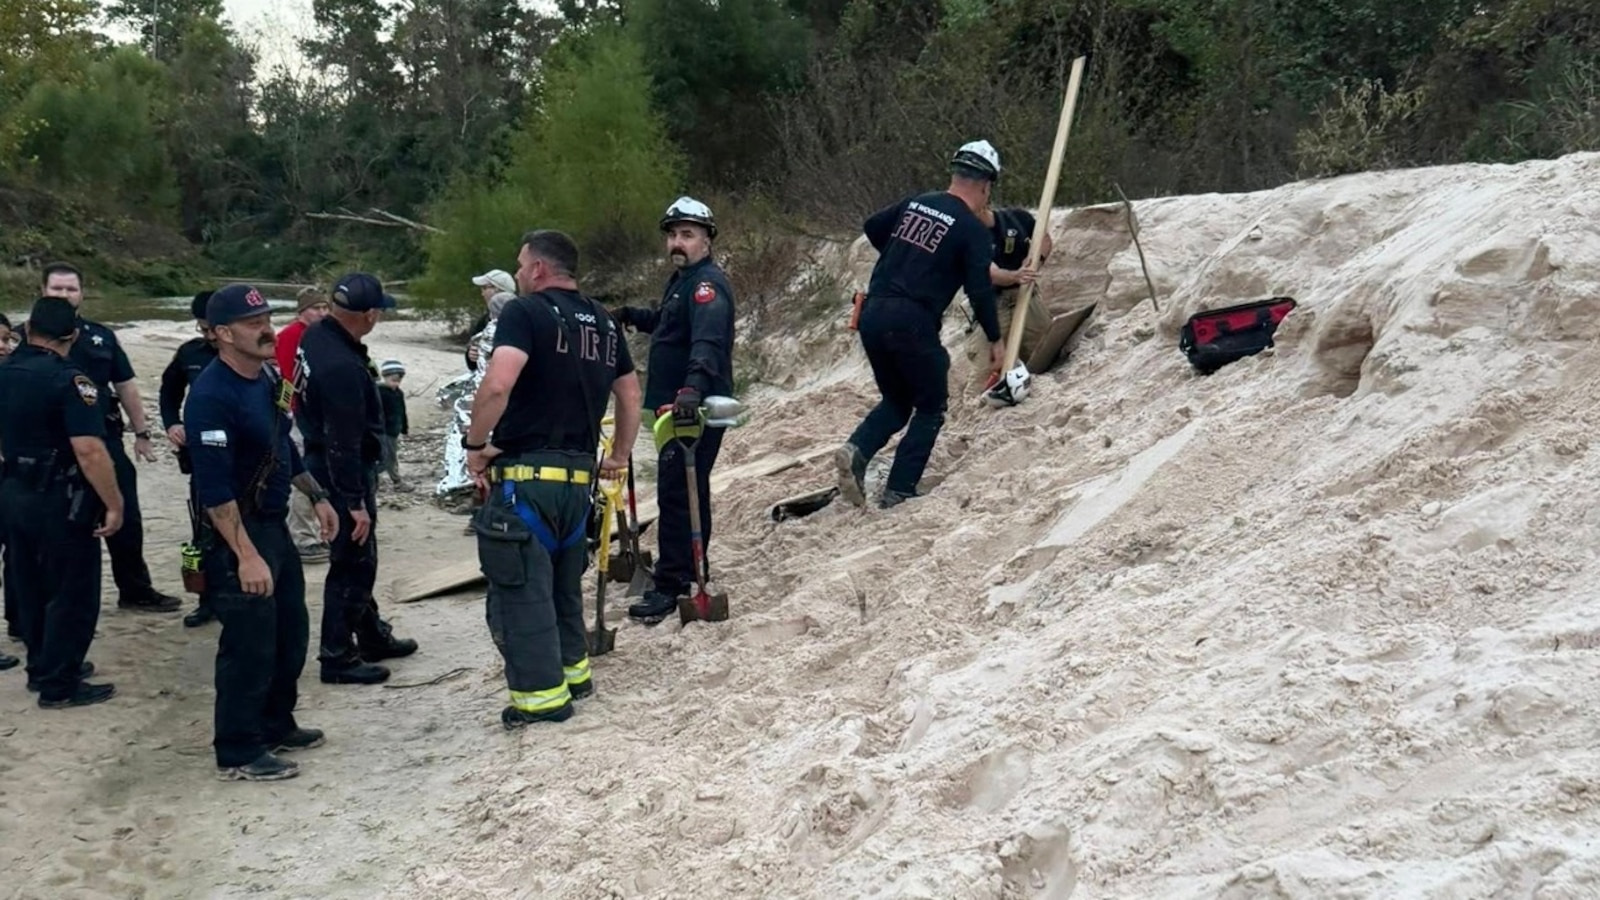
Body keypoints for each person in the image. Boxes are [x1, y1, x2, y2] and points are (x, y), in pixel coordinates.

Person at [462, 230, 641, 729]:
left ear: (539, 269)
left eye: (521, 265)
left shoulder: (524, 313)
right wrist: (620, 455)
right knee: (564, 587)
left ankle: (541, 701)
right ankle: (575, 675)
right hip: (576, 484)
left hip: (527, 481)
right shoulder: (605, 322)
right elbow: (629, 394)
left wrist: (475, 447)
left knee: (521, 595)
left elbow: (499, 383)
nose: (518, 274)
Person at [184, 284, 339, 781]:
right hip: (236, 534)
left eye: (267, 318)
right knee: (248, 642)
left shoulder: (267, 376)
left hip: (273, 527)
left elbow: (284, 448)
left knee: (289, 632)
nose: (265, 329)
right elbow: (214, 491)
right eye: (253, 323)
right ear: (223, 334)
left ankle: (276, 722)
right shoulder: (210, 396)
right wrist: (245, 555)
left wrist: (317, 496)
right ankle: (238, 749)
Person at [834, 141, 1005, 510]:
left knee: (897, 400)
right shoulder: (972, 230)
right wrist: (995, 338)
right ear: (986, 185)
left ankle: (857, 449)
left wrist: (909, 253)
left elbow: (873, 226)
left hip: (872, 313)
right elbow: (979, 289)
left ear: (955, 174)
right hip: (912, 319)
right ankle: (899, 489)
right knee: (931, 405)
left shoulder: (916, 202)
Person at [612, 197, 736, 625]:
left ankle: (672, 584)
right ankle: (686, 570)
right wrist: (632, 316)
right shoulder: (682, 281)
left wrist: (691, 391)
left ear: (707, 239)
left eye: (687, 234)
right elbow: (671, 324)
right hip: (673, 407)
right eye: (672, 235)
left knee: (679, 493)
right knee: (682, 490)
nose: (677, 242)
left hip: (690, 409)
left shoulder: (707, 286)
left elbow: (707, 342)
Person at [0, 296, 124, 707]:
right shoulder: (71, 379)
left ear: (27, 328)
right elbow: (89, 449)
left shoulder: (7, 371)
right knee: (72, 591)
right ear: (71, 336)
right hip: (60, 494)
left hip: (14, 490)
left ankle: (41, 666)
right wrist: (114, 502)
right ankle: (60, 682)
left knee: (29, 583)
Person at [296, 272, 418, 685]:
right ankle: (337, 655)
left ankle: (370, 633)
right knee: (353, 561)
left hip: (323, 456)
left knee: (357, 557)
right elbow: (342, 441)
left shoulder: (317, 336)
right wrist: (353, 502)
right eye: (378, 311)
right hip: (339, 468)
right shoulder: (341, 367)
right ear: (367, 315)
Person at [39, 262, 182, 612]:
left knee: (126, 517)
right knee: (50, 527)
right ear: (42, 291)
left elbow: (126, 386)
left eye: (70, 289)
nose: (64, 295)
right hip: (48, 446)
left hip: (104, 437)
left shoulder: (101, 336)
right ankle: (42, 603)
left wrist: (143, 432)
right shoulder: (22, 337)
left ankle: (135, 590)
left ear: (82, 293)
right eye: (56, 289)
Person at [159, 291, 222, 628]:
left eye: (214, 328)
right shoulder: (189, 354)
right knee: (202, 534)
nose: (210, 336)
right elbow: (169, 392)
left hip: (247, 460)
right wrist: (172, 423)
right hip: (201, 457)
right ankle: (204, 599)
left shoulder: (250, 352)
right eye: (204, 329)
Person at [965, 204, 1052, 389]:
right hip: (992, 303)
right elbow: (991, 273)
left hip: (1027, 296)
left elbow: (1044, 239)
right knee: (984, 367)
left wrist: (1036, 259)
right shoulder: (965, 233)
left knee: (1044, 355)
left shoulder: (1017, 218)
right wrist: (1015, 275)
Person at [276, 286, 333, 563]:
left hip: (321, 414)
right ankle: (302, 536)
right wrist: (289, 410)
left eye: (325, 308)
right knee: (303, 473)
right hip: (299, 413)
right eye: (316, 308)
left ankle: (318, 529)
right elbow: (286, 376)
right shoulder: (290, 336)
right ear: (302, 311)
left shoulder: (323, 334)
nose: (322, 313)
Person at [465, 269, 516, 370]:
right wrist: (471, 355)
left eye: (484, 288)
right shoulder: (484, 319)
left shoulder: (519, 317)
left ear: (497, 289)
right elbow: (472, 355)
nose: (482, 294)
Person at [376, 359, 410, 491]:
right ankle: (395, 481)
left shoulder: (398, 393)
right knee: (386, 458)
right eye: (393, 380)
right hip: (382, 431)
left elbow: (402, 411)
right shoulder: (379, 393)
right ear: (385, 377)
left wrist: (404, 428)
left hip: (393, 431)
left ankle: (391, 479)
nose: (396, 384)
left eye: (398, 381)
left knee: (391, 456)